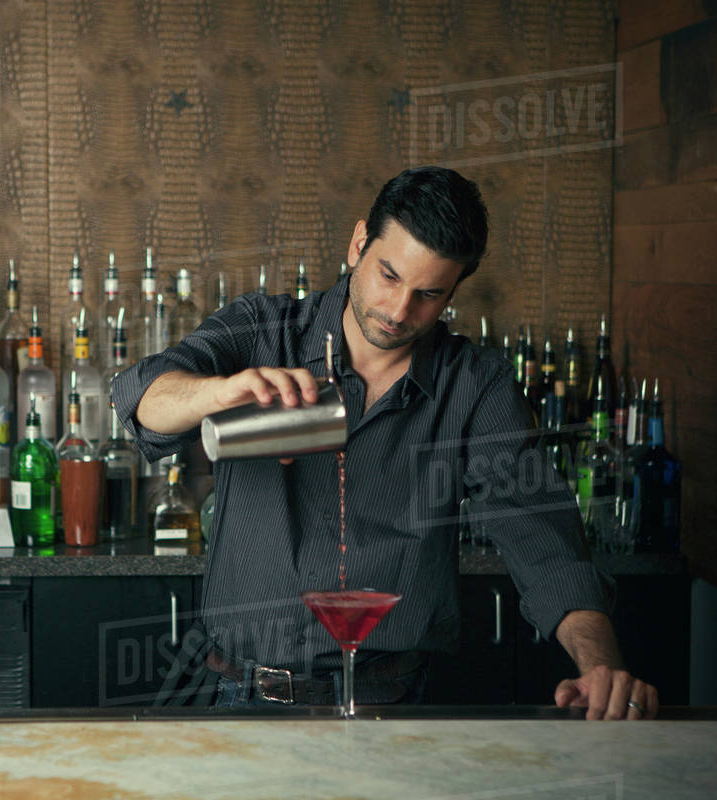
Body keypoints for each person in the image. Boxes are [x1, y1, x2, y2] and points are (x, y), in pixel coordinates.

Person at [111, 166, 659, 720]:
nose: (399, 311)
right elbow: (139, 396)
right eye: (389, 275)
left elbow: (545, 542)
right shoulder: (262, 331)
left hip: (393, 704)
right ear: (358, 244)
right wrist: (218, 393)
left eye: (429, 294)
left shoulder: (474, 385)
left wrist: (600, 666)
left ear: (454, 290)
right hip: (244, 699)